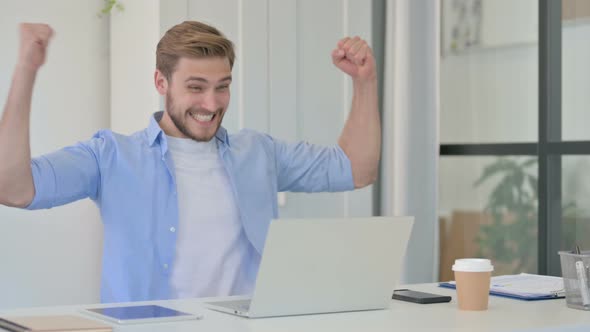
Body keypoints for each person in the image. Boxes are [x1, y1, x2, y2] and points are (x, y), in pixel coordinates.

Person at [0, 21, 380, 303]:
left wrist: (364, 82)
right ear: (161, 82)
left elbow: (356, 169)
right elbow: (14, 189)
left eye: (222, 87)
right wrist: (26, 71)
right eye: (196, 87)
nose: (211, 105)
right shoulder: (111, 156)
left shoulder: (259, 152)